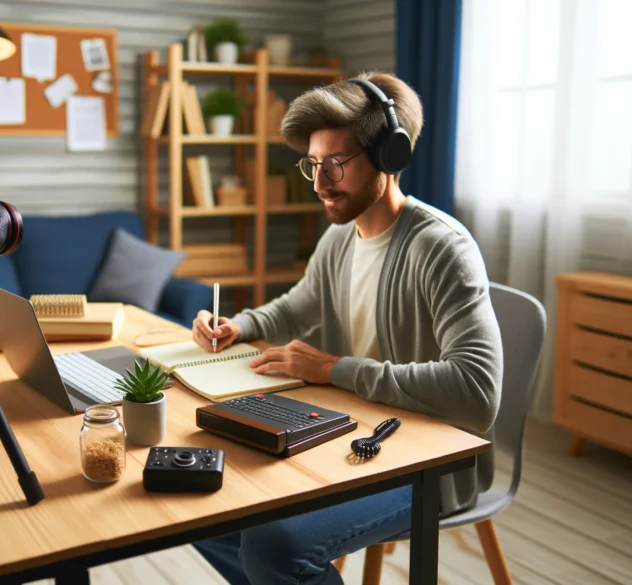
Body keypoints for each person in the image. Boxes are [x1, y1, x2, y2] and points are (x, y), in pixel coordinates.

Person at [190, 72, 503, 585]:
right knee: (204, 503)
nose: (319, 183)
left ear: (389, 156)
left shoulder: (443, 249)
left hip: (427, 465)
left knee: (275, 545)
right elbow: (297, 307)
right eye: (312, 165)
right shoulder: (339, 239)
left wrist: (335, 370)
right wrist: (238, 325)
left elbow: (476, 393)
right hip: (351, 437)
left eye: (335, 165)